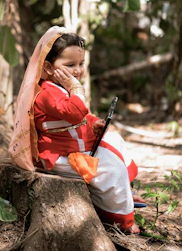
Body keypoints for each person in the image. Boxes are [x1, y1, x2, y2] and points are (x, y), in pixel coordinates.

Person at [9, 26, 145, 234]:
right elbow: (73, 113)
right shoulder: (47, 94)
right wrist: (76, 88)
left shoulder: (60, 89)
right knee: (111, 168)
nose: (78, 70)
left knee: (116, 140)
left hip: (73, 147)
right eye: (70, 64)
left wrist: (93, 124)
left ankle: (125, 191)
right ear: (47, 67)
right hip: (60, 156)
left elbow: (80, 117)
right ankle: (121, 221)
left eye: (81, 64)